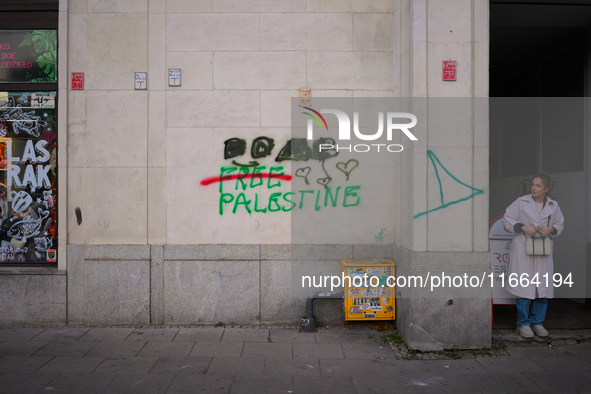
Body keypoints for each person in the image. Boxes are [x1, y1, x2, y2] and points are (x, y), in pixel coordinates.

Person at [502, 173, 564, 339]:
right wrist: (522, 226)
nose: (534, 188)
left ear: (546, 189)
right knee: (523, 286)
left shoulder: (553, 206)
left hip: (542, 248)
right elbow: (507, 219)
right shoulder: (521, 202)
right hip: (524, 247)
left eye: (538, 185)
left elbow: (560, 224)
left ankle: (538, 322)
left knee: (541, 288)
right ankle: (523, 324)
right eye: (533, 185)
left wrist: (551, 229)